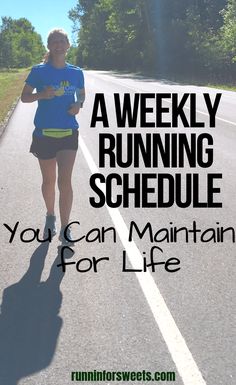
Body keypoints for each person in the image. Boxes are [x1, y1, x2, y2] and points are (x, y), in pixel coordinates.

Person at [21, 28, 85, 244]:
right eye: (54, 41)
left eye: (62, 41)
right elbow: (25, 97)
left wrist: (79, 105)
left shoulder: (76, 72)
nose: (58, 44)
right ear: (49, 46)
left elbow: (82, 94)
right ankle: (50, 215)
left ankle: (66, 228)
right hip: (44, 134)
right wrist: (42, 94)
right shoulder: (38, 71)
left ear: (68, 45)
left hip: (68, 133)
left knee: (65, 181)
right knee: (49, 181)